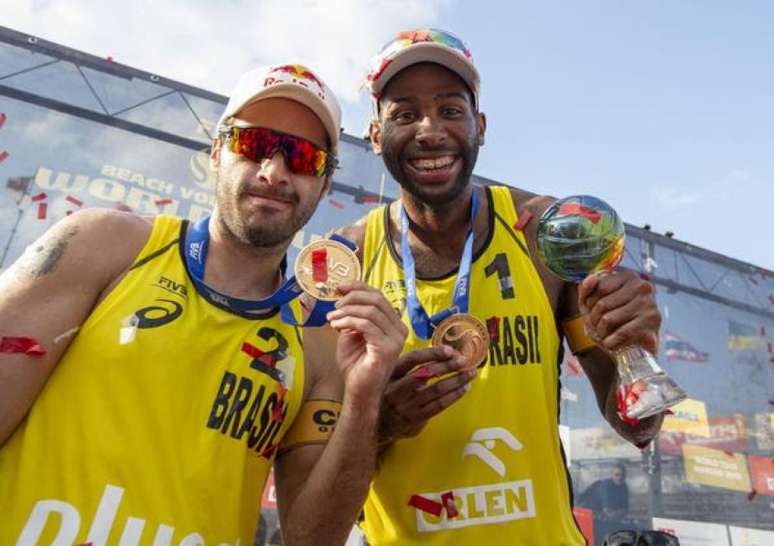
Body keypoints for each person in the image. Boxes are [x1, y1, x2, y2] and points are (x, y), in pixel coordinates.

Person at [0, 63, 407, 546]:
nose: (274, 172)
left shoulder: (321, 339)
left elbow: (310, 539)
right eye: (253, 144)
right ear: (217, 152)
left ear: (323, 182)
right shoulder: (104, 245)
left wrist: (362, 402)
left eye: (303, 157)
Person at [333, 29, 665, 545]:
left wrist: (637, 353)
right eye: (404, 114)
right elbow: (316, 472)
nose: (429, 131)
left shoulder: (541, 233)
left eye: (449, 110)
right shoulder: (345, 260)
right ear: (375, 135)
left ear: (479, 126)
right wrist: (382, 423)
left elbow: (637, 428)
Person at [579, 463, 631, 544]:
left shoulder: (624, 487)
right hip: (586, 514)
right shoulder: (606, 485)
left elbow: (626, 510)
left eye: (622, 475)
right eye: (617, 475)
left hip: (600, 516)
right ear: (612, 475)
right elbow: (608, 512)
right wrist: (618, 513)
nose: (620, 478)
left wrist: (617, 514)